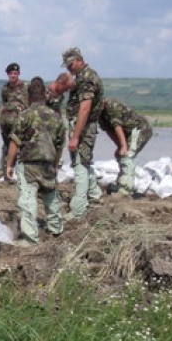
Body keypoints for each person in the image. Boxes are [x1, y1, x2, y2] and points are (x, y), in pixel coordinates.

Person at [5, 77, 66, 245]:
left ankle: (31, 238)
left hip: (29, 163)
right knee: (51, 198)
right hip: (48, 163)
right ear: (45, 96)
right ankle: (56, 229)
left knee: (27, 201)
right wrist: (55, 163)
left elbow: (15, 142)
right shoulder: (56, 116)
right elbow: (60, 144)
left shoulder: (25, 115)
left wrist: (9, 164)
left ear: (29, 97)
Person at [62, 47, 104, 219]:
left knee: (80, 166)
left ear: (79, 61)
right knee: (84, 162)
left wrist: (75, 136)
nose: (69, 69)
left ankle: (79, 209)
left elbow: (85, 108)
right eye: (67, 67)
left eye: (71, 65)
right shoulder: (83, 76)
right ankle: (95, 196)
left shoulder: (87, 78)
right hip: (82, 126)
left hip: (84, 128)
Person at [98, 98, 155, 195]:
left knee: (127, 155)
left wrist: (123, 147)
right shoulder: (99, 115)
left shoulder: (112, 106)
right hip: (128, 134)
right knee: (121, 155)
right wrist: (119, 146)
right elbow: (110, 131)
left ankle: (126, 188)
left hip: (140, 129)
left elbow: (117, 127)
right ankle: (121, 182)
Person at [0, 62, 28, 178]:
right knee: (6, 146)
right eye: (11, 73)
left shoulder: (26, 86)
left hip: (22, 121)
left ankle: (24, 171)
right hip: (7, 122)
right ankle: (4, 169)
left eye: (15, 73)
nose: (13, 76)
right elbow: (3, 104)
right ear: (7, 74)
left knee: (23, 145)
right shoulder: (5, 88)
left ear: (19, 74)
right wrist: (0, 121)